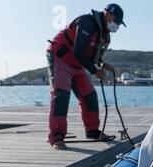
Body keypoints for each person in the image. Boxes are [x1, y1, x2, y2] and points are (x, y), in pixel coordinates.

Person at [47, 4, 126, 150]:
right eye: (116, 21)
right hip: (61, 57)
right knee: (61, 95)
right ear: (107, 14)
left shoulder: (104, 34)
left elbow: (92, 54)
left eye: (119, 24)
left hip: (78, 64)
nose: (117, 25)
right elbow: (78, 51)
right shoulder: (87, 23)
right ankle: (56, 136)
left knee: (89, 95)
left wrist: (102, 64)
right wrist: (96, 72)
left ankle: (92, 131)